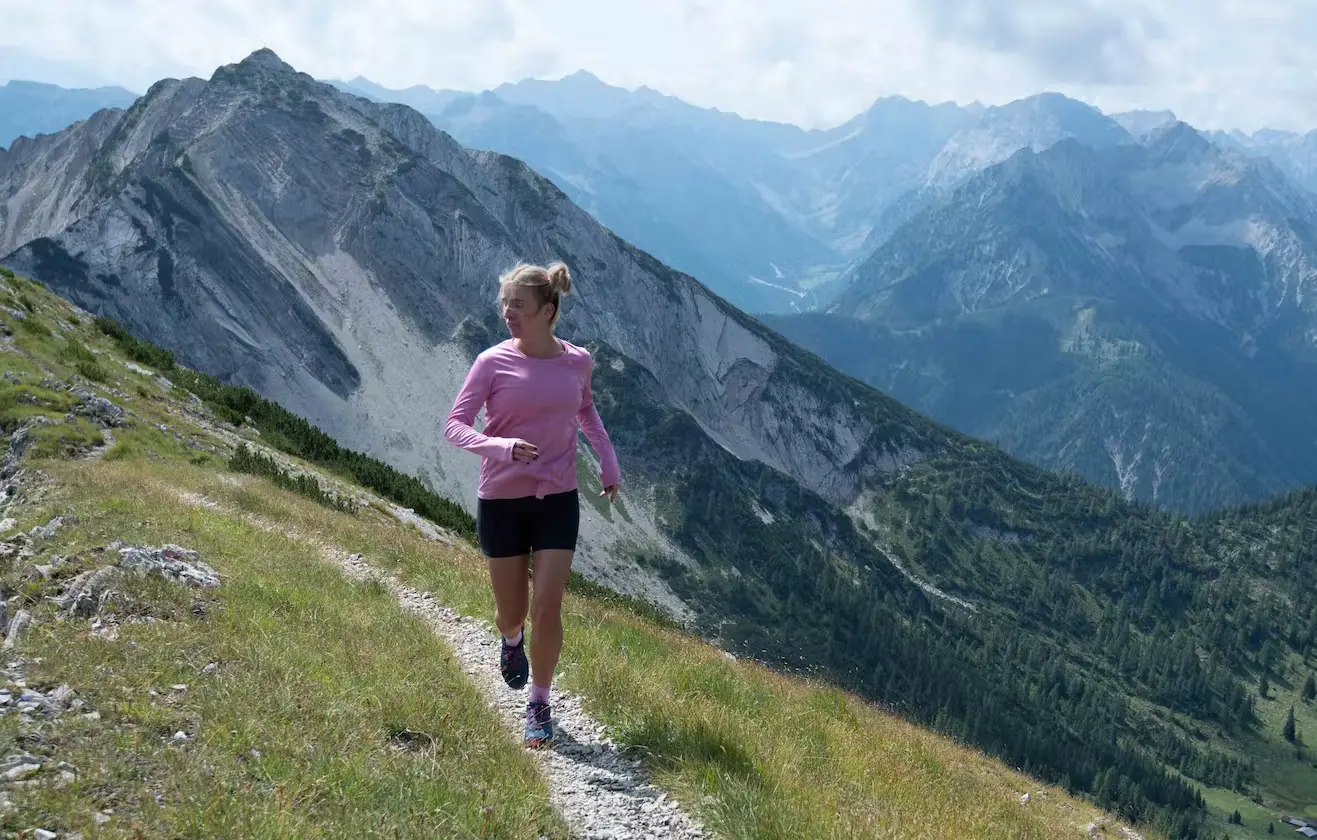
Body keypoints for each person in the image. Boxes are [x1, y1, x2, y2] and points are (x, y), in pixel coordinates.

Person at [443, 260, 621, 748]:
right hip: (501, 499)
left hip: (558, 499)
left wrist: (607, 461)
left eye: (517, 305)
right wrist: (501, 447)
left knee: (548, 607)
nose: (506, 313)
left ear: (548, 310)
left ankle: (539, 703)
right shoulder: (491, 362)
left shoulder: (577, 361)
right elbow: (454, 426)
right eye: (504, 304)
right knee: (512, 613)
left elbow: (585, 409)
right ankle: (511, 641)